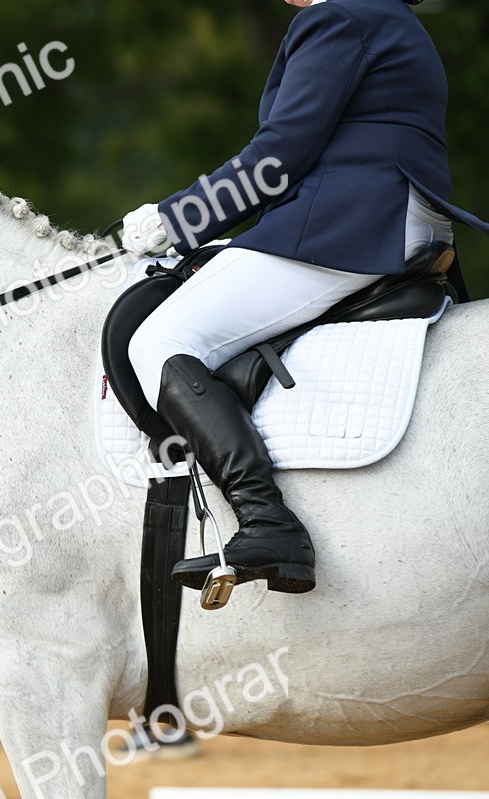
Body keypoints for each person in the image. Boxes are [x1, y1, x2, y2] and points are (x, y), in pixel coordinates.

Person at [122, 0, 489, 595]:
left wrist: (178, 218)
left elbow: (280, 153)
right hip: (394, 221)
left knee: (158, 341)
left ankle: (268, 519)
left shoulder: (339, 16)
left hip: (348, 227)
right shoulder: (388, 16)